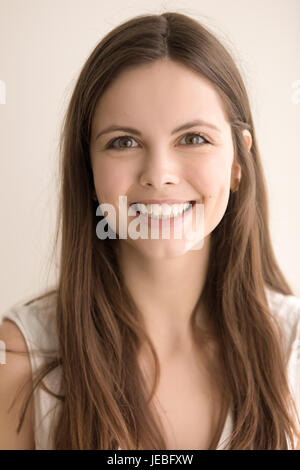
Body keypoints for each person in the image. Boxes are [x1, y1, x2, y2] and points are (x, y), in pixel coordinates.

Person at [0, 11, 299, 450]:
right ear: (89, 167)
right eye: (124, 142)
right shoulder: (20, 359)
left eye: (193, 138)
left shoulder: (293, 351)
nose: (159, 175)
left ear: (238, 162)